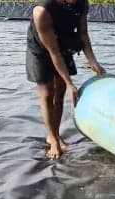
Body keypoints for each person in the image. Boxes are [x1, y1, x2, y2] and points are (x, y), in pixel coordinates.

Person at [25, 0, 105, 159]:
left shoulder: (81, 3)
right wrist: (70, 83)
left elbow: (83, 33)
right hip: (42, 50)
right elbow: (53, 52)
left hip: (64, 44)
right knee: (48, 94)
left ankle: (56, 134)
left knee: (59, 94)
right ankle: (52, 138)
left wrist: (93, 62)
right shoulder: (42, 11)